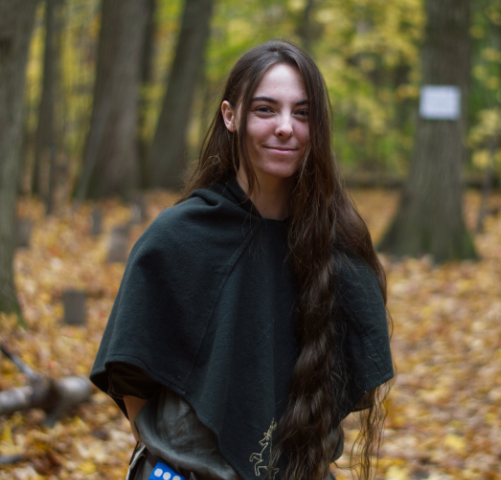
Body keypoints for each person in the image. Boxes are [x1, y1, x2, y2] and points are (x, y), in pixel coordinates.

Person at [90, 39, 393, 480]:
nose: (286, 127)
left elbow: (342, 384)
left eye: (302, 113)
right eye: (266, 110)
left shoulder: (338, 245)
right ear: (230, 116)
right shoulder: (178, 237)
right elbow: (133, 378)